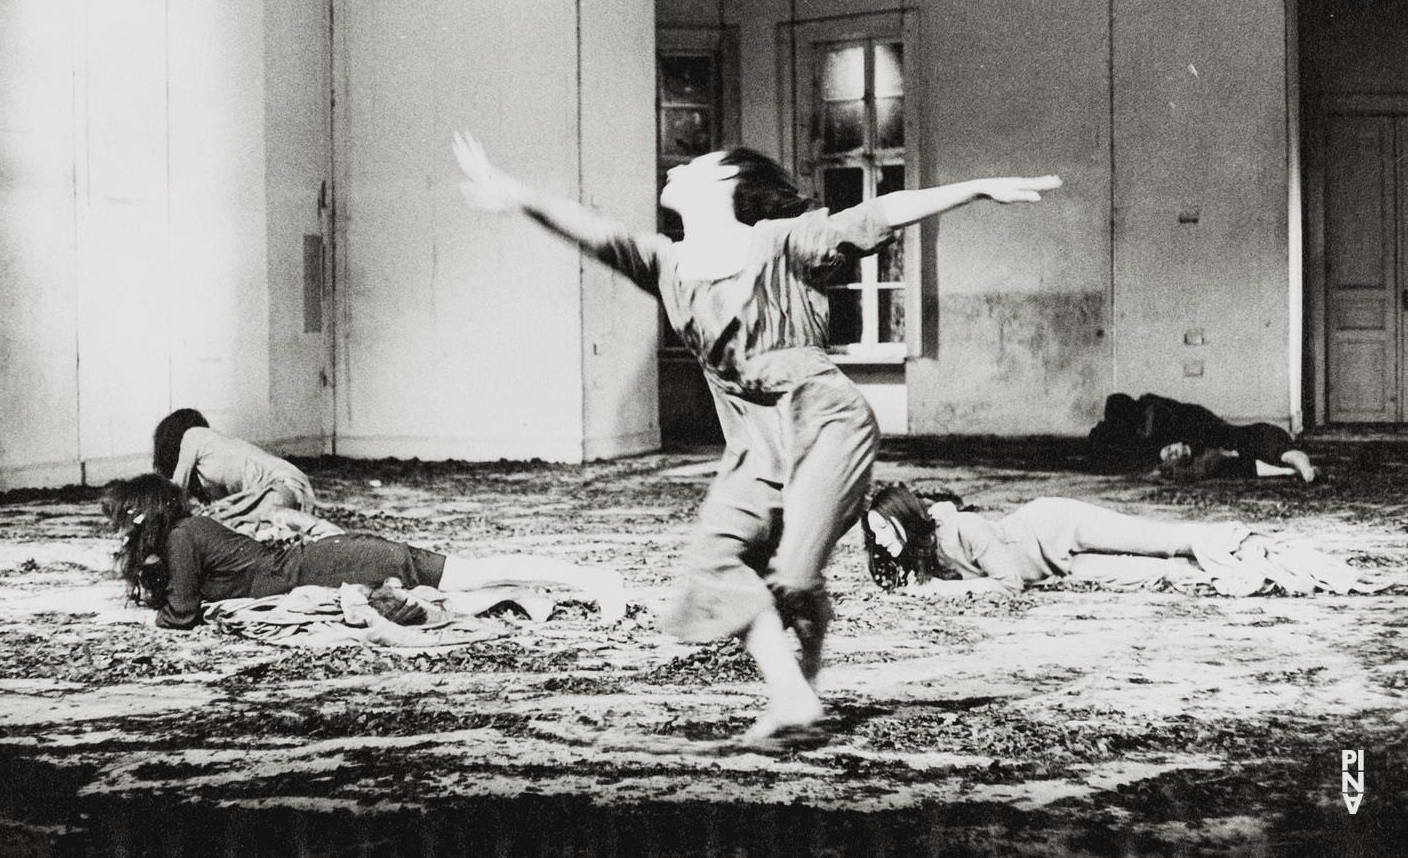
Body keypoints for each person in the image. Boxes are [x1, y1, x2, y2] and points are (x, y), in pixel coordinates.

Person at [453, 130, 1059, 745]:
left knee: (792, 581)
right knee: (711, 565)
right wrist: (517, 195)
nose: (678, 168)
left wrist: (976, 188)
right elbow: (593, 230)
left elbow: (878, 213)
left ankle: (803, 665)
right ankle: (794, 699)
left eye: (696, 163)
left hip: (825, 428)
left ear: (728, 182)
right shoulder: (666, 263)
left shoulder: (781, 243)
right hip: (753, 451)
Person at [105, 474, 627, 630]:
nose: (121, 533)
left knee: (463, 575)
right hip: (330, 562)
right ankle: (538, 592)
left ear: (142, 516)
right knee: (456, 582)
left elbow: (181, 614)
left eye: (123, 521)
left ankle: (591, 579)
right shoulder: (186, 532)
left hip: (338, 563)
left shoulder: (182, 537)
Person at [861, 485, 1254, 596]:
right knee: (1158, 573)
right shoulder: (916, 556)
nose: (878, 540)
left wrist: (936, 593)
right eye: (873, 531)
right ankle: (1237, 570)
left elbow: (1008, 584)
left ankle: (1239, 542)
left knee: (1160, 541)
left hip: (1056, 525)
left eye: (883, 527)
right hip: (1057, 569)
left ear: (905, 519)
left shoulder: (963, 528)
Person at [153, 408, 341, 539]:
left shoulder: (192, 435)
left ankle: (325, 532)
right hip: (288, 489)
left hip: (281, 485)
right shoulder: (213, 458)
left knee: (222, 525)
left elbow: (174, 492)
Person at [1088, 393, 1315, 483]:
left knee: (1236, 439)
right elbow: (1101, 451)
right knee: (1223, 462)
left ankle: (1291, 456)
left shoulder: (1159, 414)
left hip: (1205, 430)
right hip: (1197, 442)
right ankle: (1288, 462)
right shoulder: (1118, 431)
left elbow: (1197, 432)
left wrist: (1191, 447)